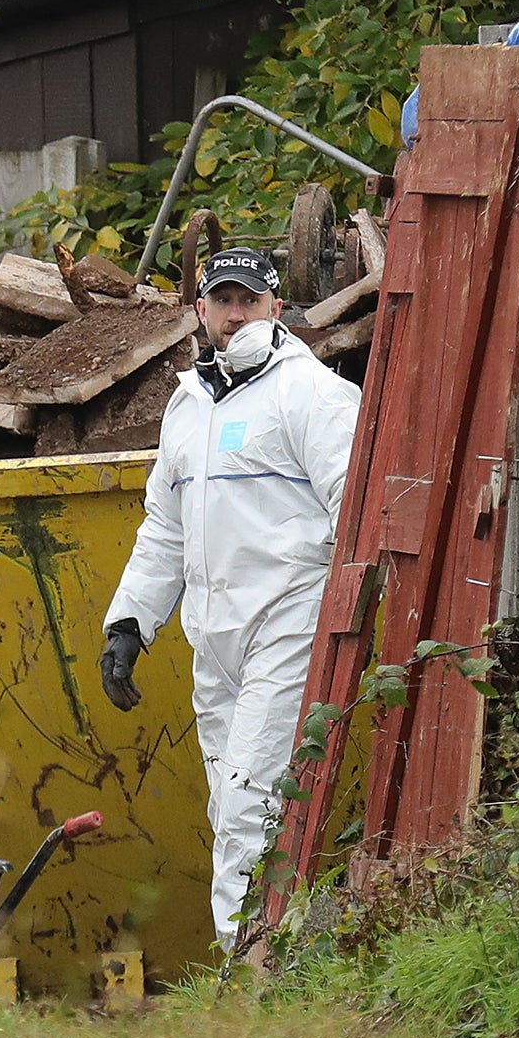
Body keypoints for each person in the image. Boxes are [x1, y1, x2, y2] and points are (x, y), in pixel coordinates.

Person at [99, 246, 362, 949]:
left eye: (250, 300)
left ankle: (242, 968)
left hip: (287, 625)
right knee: (233, 805)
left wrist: (343, 617)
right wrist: (130, 622)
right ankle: (278, 952)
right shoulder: (189, 407)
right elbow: (165, 527)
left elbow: (355, 510)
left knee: (248, 799)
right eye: (224, 301)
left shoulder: (310, 394)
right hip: (213, 640)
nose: (236, 313)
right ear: (201, 310)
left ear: (278, 308)